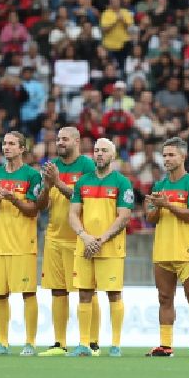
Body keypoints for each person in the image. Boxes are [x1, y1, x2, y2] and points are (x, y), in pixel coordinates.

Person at [36, 127, 100, 356]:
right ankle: (59, 343)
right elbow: (41, 206)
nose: (60, 142)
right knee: (57, 291)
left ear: (76, 141)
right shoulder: (52, 166)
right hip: (54, 236)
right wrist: (46, 185)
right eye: (57, 138)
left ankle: (93, 343)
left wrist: (57, 182)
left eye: (64, 138)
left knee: (87, 291)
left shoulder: (88, 167)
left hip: (79, 238)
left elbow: (85, 199)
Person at [67, 138, 133, 357]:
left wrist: (101, 239)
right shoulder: (82, 182)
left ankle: (115, 344)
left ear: (112, 155)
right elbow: (73, 214)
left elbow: (123, 216)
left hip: (110, 248)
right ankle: (84, 343)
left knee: (113, 294)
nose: (99, 154)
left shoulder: (121, 182)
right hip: (85, 246)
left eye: (104, 150)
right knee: (84, 293)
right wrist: (85, 237)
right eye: (96, 150)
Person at [0, 131, 42, 356]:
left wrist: (12, 198)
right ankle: (2, 342)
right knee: (0, 295)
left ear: (22, 148)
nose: (6, 147)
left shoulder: (32, 176)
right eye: (4, 144)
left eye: (12, 144)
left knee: (27, 294)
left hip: (23, 244)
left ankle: (30, 342)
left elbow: (34, 210)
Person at [144, 137, 189, 357]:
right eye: (165, 155)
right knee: (164, 298)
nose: (167, 159)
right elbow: (151, 218)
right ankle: (165, 345)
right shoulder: (159, 186)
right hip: (163, 250)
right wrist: (153, 206)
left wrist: (167, 204)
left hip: (185, 250)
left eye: (172, 155)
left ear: (183, 156)